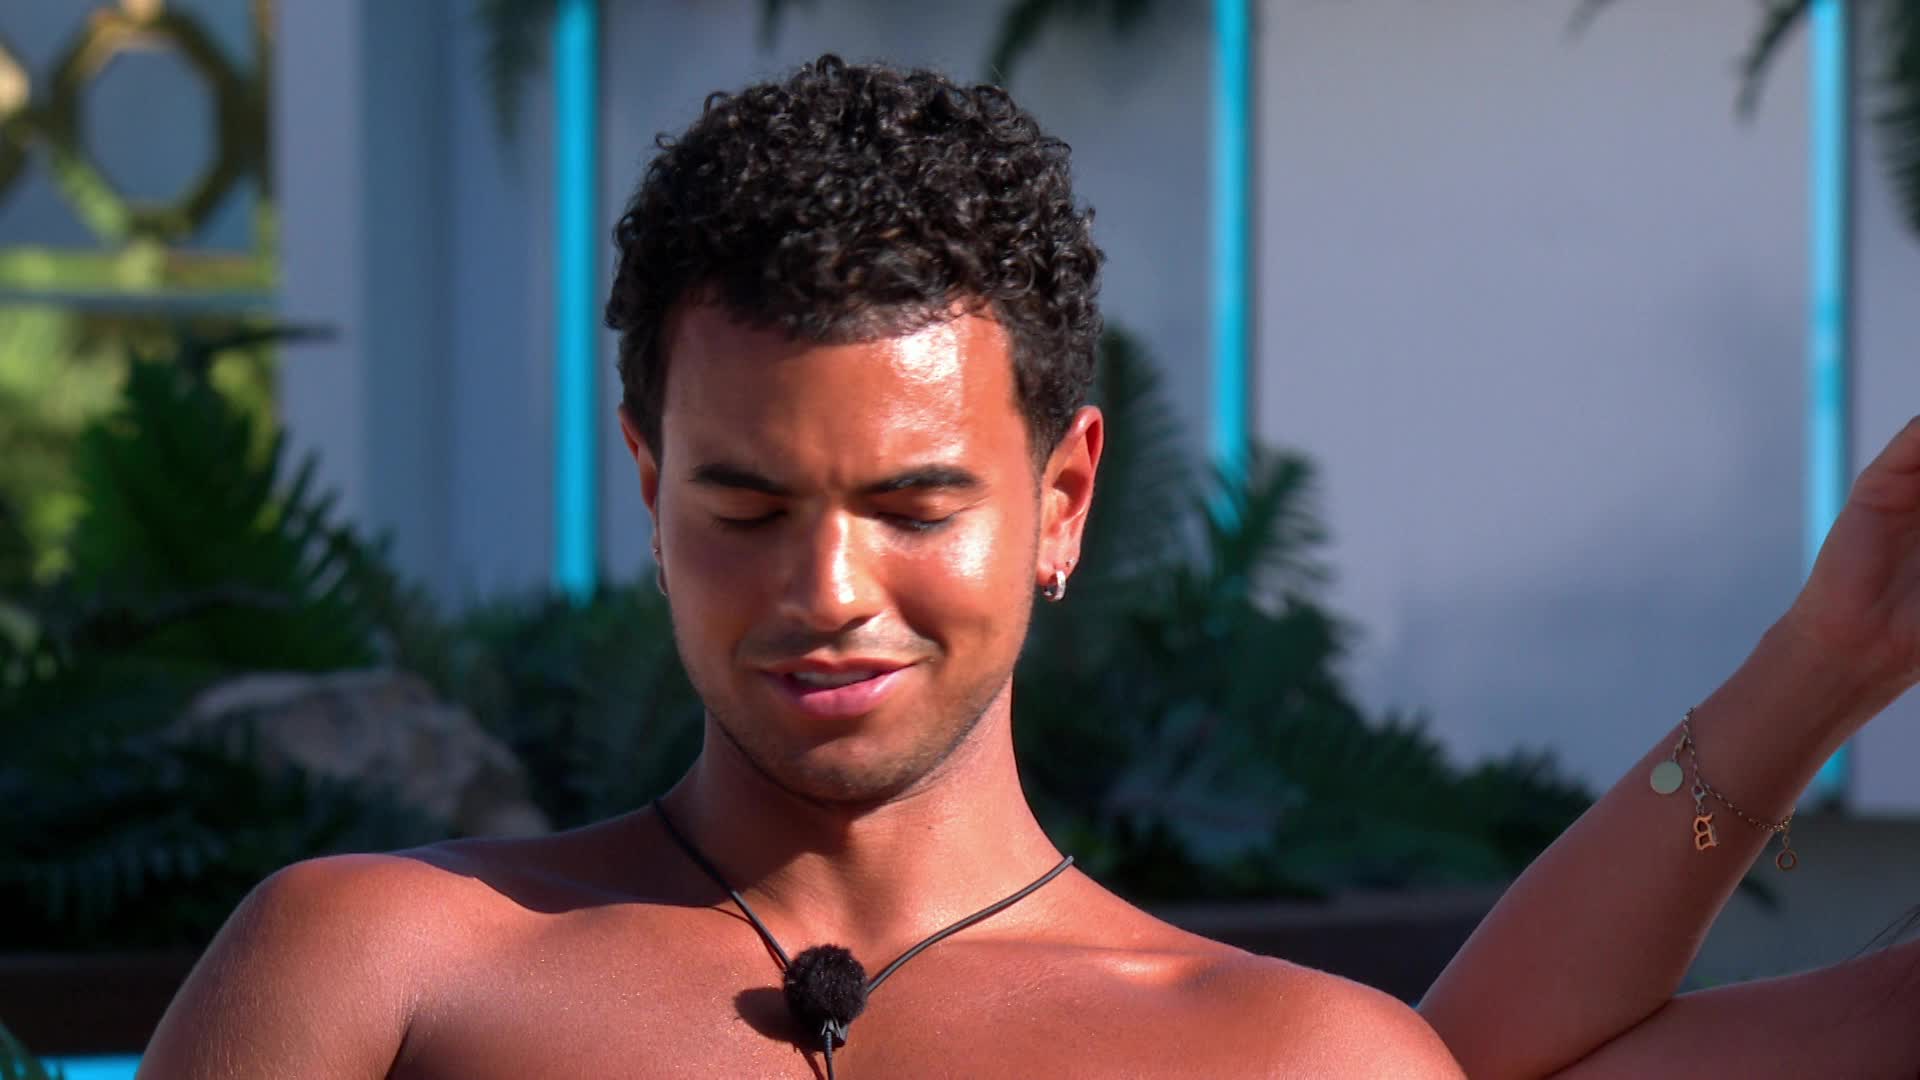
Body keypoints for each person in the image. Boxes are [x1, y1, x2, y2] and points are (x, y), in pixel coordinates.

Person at [140, 55, 1920, 1078]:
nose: (826, 588)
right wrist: (1830, 657)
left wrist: (1831, 660)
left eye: (915, 506)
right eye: (745, 508)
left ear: (1064, 498)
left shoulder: (1287, 1059)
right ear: (648, 487)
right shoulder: (377, 969)